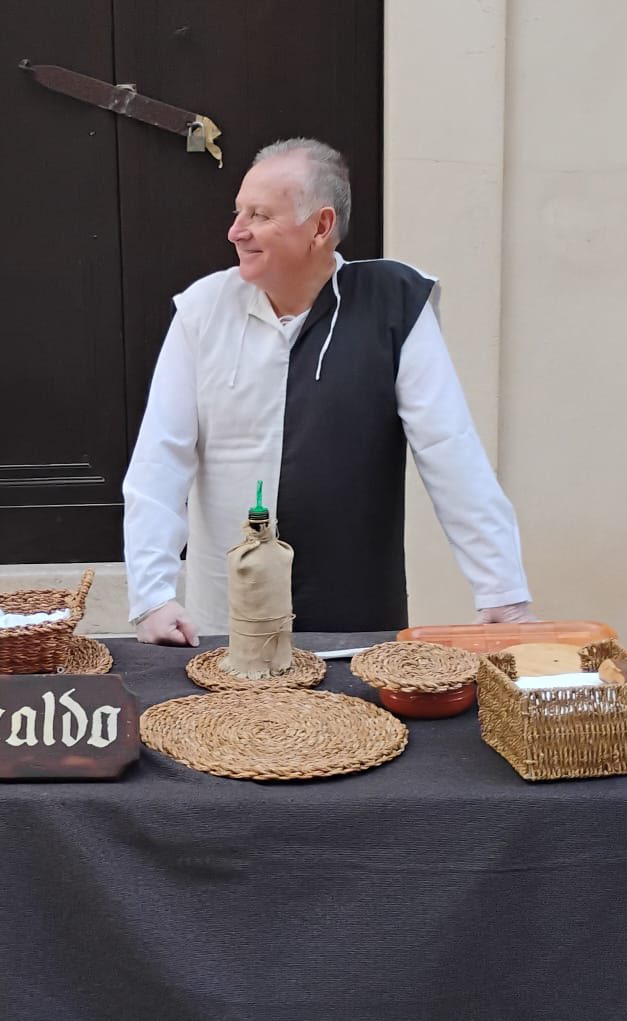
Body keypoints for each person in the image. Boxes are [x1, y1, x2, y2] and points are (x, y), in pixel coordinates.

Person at [124, 138, 534, 643]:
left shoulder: (394, 305)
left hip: (356, 623)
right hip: (228, 625)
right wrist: (152, 597)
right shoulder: (202, 310)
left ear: (320, 226)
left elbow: (450, 450)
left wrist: (503, 592)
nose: (236, 231)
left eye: (259, 215)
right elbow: (160, 460)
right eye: (238, 213)